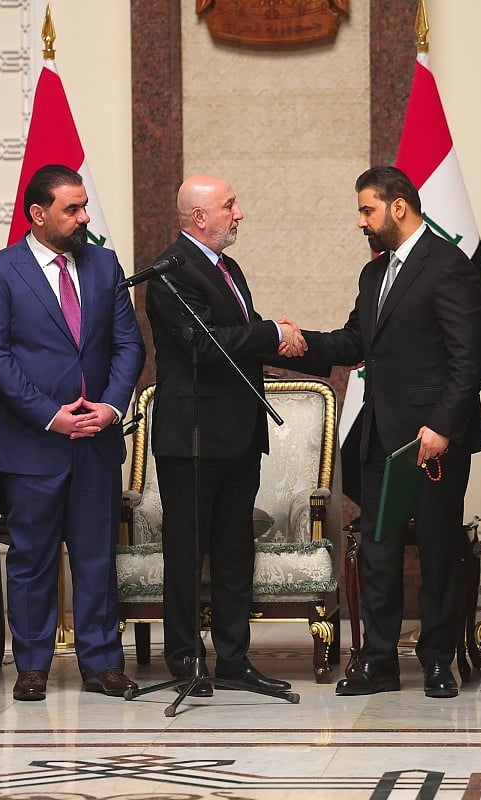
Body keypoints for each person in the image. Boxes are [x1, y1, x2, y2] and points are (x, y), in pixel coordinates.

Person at [300, 165, 481, 699]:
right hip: (381, 437)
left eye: (368, 210)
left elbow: (471, 357)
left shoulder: (448, 265)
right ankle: (378, 661)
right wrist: (293, 342)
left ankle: (437, 661)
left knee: (437, 550)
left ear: (398, 206)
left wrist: (442, 426)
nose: (361, 222)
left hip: (432, 442)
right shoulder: (374, 275)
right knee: (379, 552)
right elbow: (354, 342)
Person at [0, 165, 144, 701]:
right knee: (32, 559)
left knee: (97, 557)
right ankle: (32, 666)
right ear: (38, 214)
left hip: (96, 441)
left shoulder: (104, 265)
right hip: (31, 444)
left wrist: (111, 407)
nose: (84, 217)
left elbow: (128, 345)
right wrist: (51, 415)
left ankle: (103, 663)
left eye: (84, 206)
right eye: (72, 209)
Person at [145, 174, 305, 697]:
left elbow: (242, 336)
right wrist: (272, 332)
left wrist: (280, 340)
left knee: (236, 552)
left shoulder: (227, 267)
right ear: (199, 217)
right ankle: (185, 661)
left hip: (238, 434)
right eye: (229, 205)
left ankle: (234, 661)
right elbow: (205, 345)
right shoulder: (171, 272)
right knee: (187, 554)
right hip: (191, 439)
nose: (239, 214)